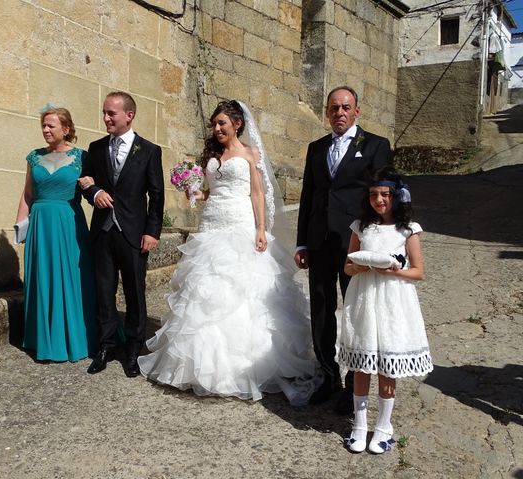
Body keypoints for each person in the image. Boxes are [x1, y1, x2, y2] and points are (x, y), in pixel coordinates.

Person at [138, 100, 321, 403]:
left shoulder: (251, 154)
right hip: (212, 224)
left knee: (243, 290)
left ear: (237, 124)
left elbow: (257, 193)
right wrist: (196, 191)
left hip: (240, 224)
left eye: (222, 123)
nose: (217, 128)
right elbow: (211, 191)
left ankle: (243, 367)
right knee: (206, 289)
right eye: (214, 124)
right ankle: (200, 367)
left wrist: (261, 228)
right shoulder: (212, 155)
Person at [295, 86, 392, 411]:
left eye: (345, 107)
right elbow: (308, 196)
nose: (339, 113)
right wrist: (302, 241)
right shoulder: (316, 148)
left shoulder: (376, 146)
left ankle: (355, 384)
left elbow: (385, 195)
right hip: (320, 241)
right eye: (334, 108)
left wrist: (386, 239)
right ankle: (328, 376)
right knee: (322, 309)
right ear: (327, 112)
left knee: (356, 311)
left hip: (357, 243)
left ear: (356, 111)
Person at [339, 166, 433, 453]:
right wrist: (364, 266)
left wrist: (393, 271)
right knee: (362, 364)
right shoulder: (361, 227)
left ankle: (383, 426)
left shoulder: (407, 230)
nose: (378, 200)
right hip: (364, 299)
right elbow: (347, 266)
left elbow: (418, 272)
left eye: (384, 194)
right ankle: (358, 425)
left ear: (396, 196)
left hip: (393, 300)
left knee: (386, 364)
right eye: (373, 195)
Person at [79, 91, 164, 378]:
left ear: (129, 115)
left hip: (134, 233)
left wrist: (153, 231)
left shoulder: (149, 150)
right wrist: (95, 192)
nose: (105, 118)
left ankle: (133, 350)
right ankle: (105, 346)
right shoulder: (96, 147)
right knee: (104, 291)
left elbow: (157, 194)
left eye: (111, 113)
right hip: (103, 232)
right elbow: (85, 182)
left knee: (134, 293)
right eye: (104, 112)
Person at [15, 107, 94, 362]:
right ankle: (44, 340)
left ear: (66, 129)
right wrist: (21, 224)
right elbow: (27, 194)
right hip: (40, 224)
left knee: (72, 276)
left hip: (68, 223)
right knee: (43, 277)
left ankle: (74, 338)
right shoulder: (33, 157)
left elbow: (93, 190)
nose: (46, 130)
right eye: (44, 126)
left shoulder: (82, 157)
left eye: (51, 126)